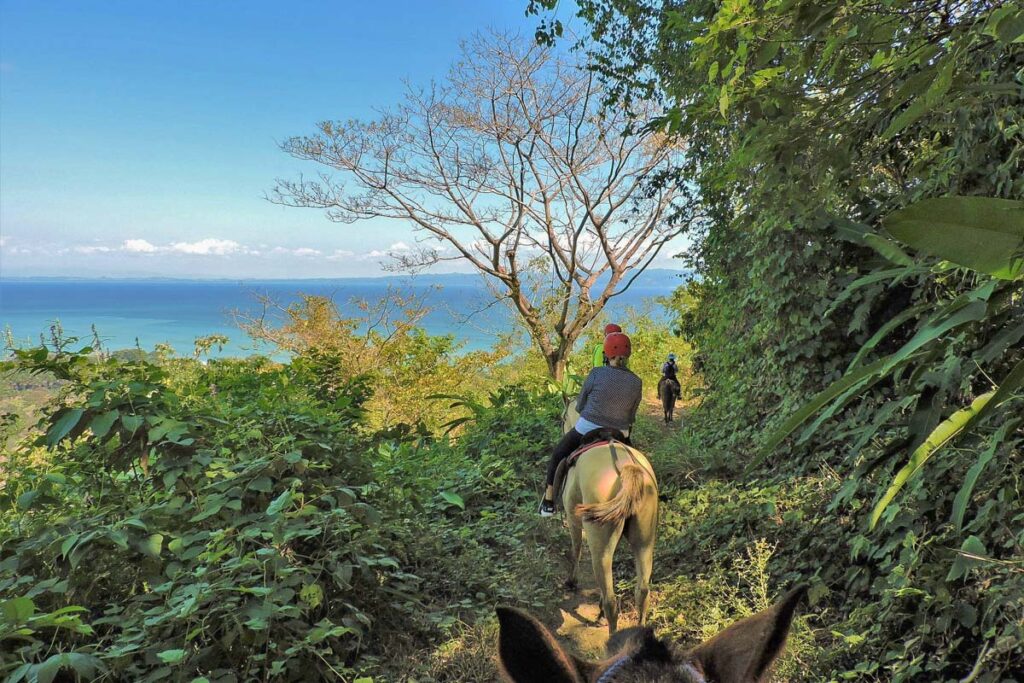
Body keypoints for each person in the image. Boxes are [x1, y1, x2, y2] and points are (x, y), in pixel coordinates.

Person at [540, 332, 642, 516]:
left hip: (588, 427)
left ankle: (548, 502)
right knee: (639, 463)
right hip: (620, 432)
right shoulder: (637, 381)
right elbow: (632, 416)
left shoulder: (596, 373)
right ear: (629, 355)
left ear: (606, 353)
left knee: (558, 453)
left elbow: (579, 406)